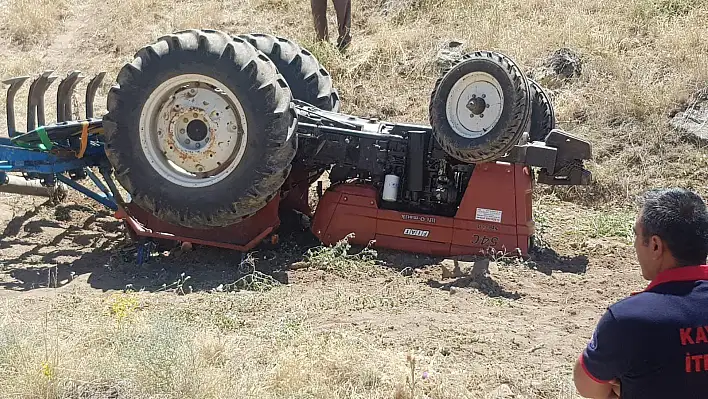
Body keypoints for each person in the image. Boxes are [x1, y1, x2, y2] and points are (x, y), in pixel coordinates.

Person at [573, 187, 708, 398]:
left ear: (655, 246)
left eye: (636, 235)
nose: (635, 244)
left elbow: (587, 386)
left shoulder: (627, 319)